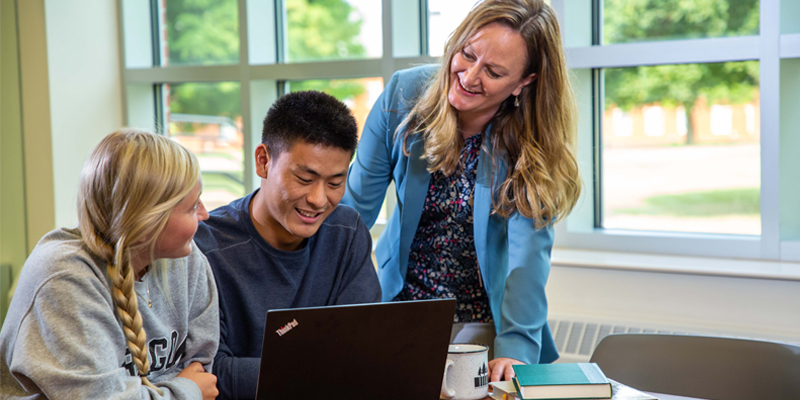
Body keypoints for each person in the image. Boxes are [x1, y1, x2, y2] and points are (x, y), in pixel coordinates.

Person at [341, 0, 581, 382]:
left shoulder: (530, 142)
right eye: (467, 54)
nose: (469, 77)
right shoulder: (404, 95)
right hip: (398, 310)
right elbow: (351, 213)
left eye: (494, 72)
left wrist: (516, 346)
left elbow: (526, 260)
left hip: (485, 325)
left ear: (525, 81)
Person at [0, 129, 220, 399]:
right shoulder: (64, 277)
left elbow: (202, 370)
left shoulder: (185, 257)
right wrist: (186, 392)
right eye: (192, 206)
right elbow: (194, 387)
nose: (205, 214)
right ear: (145, 224)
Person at [193, 90, 381, 400]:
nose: (319, 200)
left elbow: (363, 351)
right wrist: (326, 371)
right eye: (304, 178)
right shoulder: (206, 247)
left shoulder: (346, 231)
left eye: (335, 183)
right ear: (263, 161)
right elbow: (212, 375)